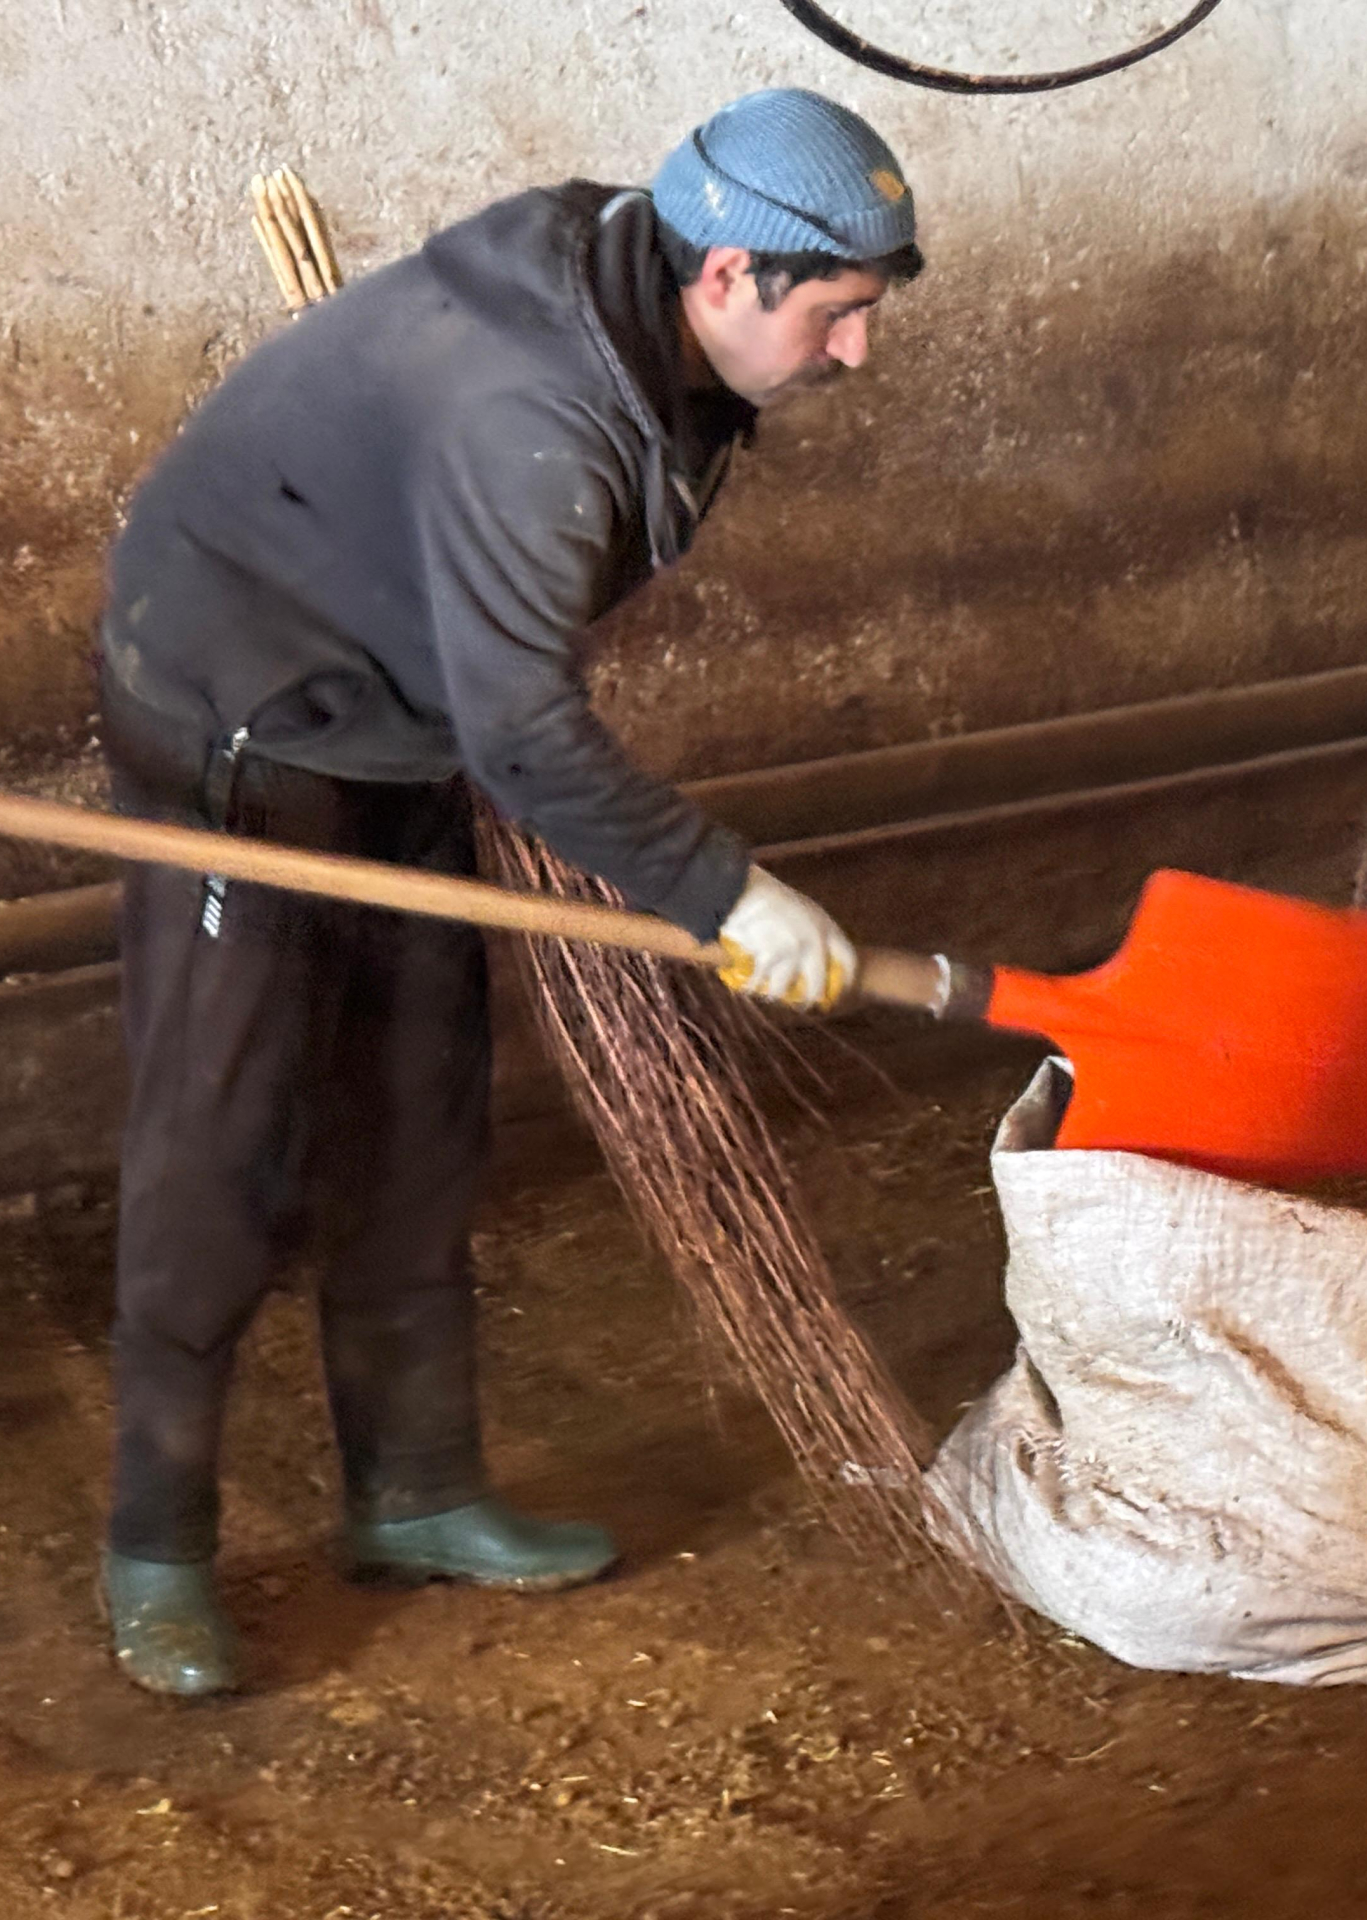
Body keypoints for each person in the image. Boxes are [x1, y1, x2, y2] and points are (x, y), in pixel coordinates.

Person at [91, 88, 922, 1695]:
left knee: (418, 1106)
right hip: (243, 724)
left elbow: (503, 694)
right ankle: (155, 1547)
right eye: (839, 314)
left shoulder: (641, 293)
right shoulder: (530, 415)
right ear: (730, 273)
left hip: (395, 720)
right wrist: (725, 895)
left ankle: (412, 1491)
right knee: (222, 1140)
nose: (856, 355)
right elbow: (528, 729)